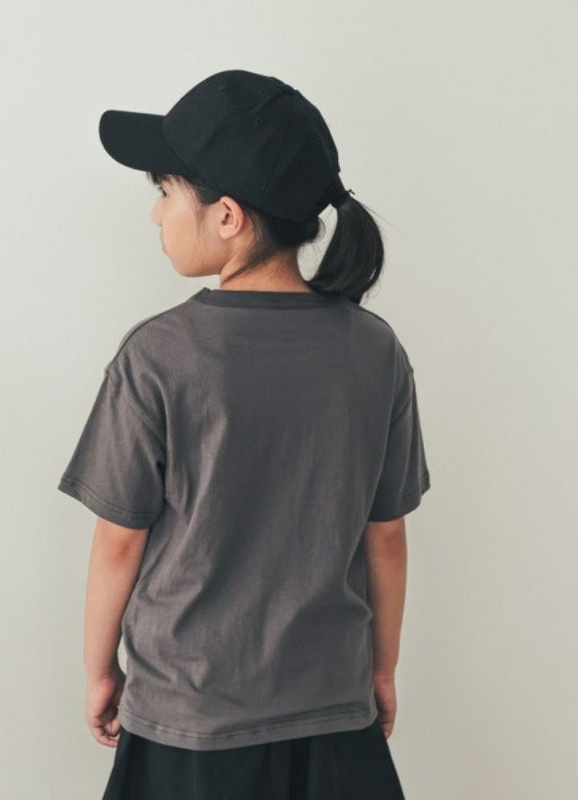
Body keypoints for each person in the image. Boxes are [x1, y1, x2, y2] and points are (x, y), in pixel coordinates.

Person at [58, 69, 431, 800]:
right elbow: (385, 535)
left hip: (188, 721)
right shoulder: (375, 350)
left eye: (165, 192)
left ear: (227, 216)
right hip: (334, 713)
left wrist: (100, 670)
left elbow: (119, 542)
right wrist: (381, 668)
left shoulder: (159, 354)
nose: (156, 215)